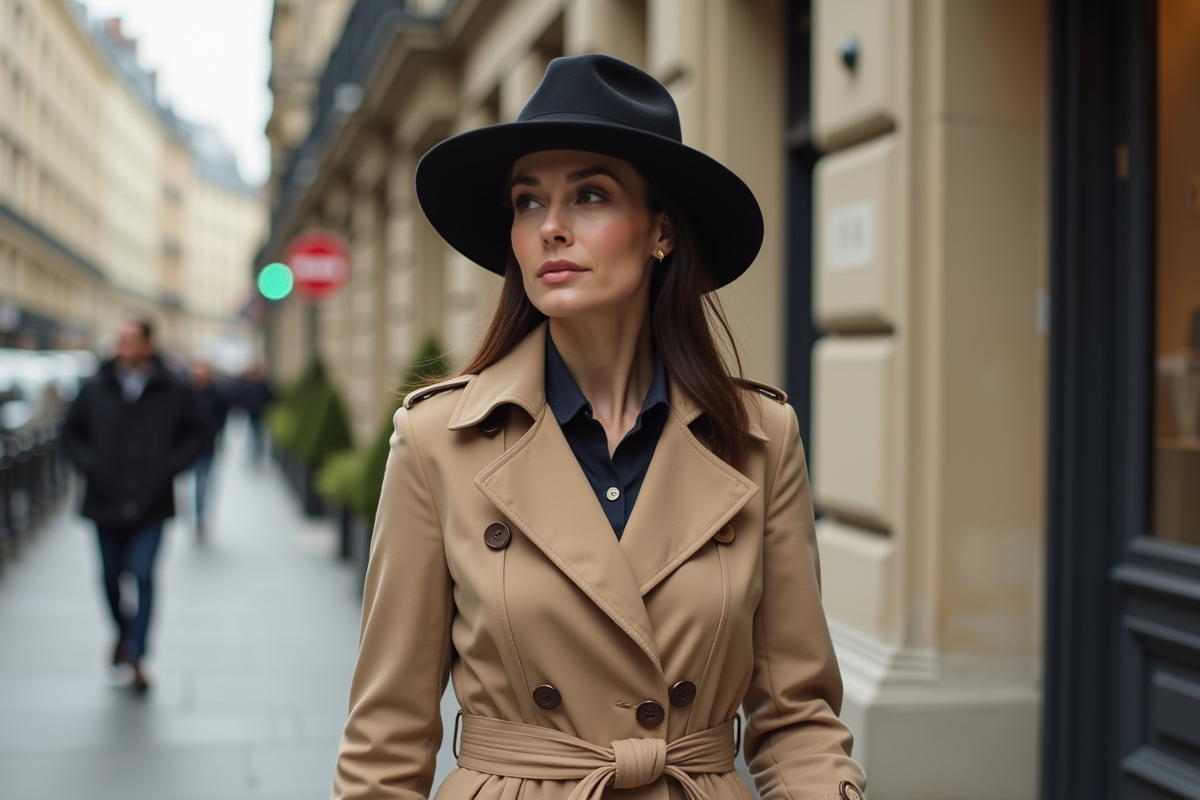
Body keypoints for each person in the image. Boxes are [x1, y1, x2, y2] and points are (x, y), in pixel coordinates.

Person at [331, 55, 867, 800]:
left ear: (661, 233)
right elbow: (386, 738)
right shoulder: (437, 440)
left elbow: (797, 716)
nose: (550, 227)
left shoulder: (758, 438)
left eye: (589, 195)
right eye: (527, 202)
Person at [62, 317, 206, 691]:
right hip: (104, 500)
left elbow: (197, 432)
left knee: (142, 575)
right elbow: (71, 433)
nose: (122, 347)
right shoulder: (95, 387)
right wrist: (89, 465)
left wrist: (171, 466)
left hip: (151, 502)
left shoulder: (173, 388)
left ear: (147, 344)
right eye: (119, 340)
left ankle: (138, 654)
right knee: (110, 578)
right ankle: (124, 635)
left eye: (130, 340)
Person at [189, 360, 229, 540]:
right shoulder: (187, 393)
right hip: (189, 447)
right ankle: (196, 515)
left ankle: (200, 518)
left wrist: (216, 432)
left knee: (203, 484)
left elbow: (223, 417)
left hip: (206, 447)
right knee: (193, 484)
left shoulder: (216, 394)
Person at [236, 362, 274, 467]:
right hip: (251, 414)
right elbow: (242, 398)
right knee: (252, 436)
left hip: (261, 414)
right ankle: (252, 456)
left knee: (259, 436)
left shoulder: (263, 384)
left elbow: (270, 397)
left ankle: (258, 455)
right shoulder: (247, 384)